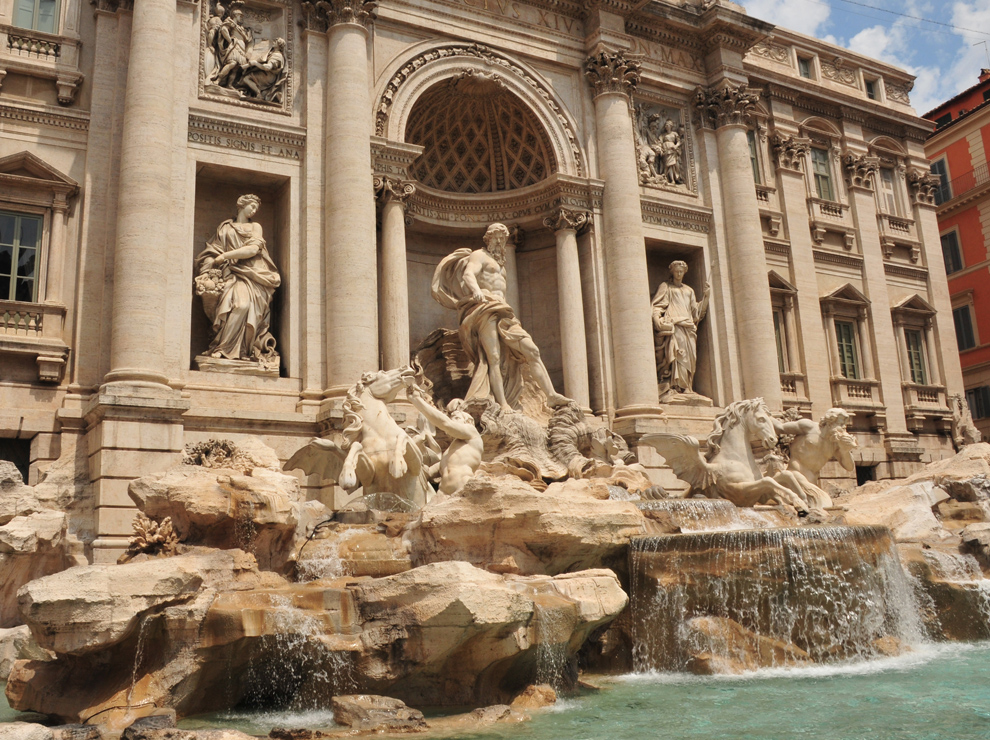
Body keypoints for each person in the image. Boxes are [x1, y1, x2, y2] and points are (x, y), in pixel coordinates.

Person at [432, 222, 569, 410]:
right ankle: (503, 404)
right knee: (493, 358)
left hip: (504, 311)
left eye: (502, 239)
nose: (499, 242)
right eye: (496, 238)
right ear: (487, 239)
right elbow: (468, 275)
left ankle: (551, 395)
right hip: (485, 308)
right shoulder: (479, 255)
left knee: (532, 350)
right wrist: (477, 291)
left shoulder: (501, 265)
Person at [195, 194, 281, 365]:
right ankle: (222, 347)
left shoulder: (255, 227)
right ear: (241, 205)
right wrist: (210, 262)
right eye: (252, 206)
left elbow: (252, 250)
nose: (254, 210)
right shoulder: (225, 227)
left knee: (244, 306)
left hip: (253, 274)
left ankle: (241, 350)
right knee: (233, 305)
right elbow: (214, 249)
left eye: (257, 208)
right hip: (230, 273)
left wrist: (225, 256)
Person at [404, 379, 483, 495]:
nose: (453, 421)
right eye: (452, 418)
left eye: (456, 418)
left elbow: (446, 424)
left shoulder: (472, 434)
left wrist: (417, 401)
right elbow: (427, 473)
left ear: (469, 420)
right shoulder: (449, 453)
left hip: (463, 488)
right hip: (442, 495)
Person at [771, 408, 857, 509]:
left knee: (820, 507)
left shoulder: (835, 443)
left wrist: (845, 450)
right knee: (824, 503)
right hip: (794, 477)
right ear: (830, 422)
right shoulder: (809, 427)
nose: (844, 428)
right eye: (841, 424)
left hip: (811, 484)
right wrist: (763, 415)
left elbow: (849, 467)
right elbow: (780, 428)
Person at [652, 260, 709, 397]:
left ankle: (688, 386)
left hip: (689, 326)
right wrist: (657, 320)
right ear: (672, 272)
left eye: (681, 271)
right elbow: (657, 306)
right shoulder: (666, 287)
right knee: (679, 355)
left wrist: (706, 297)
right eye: (676, 271)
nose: (678, 273)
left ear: (684, 272)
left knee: (690, 358)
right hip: (675, 324)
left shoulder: (689, 290)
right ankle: (676, 386)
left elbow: (696, 313)